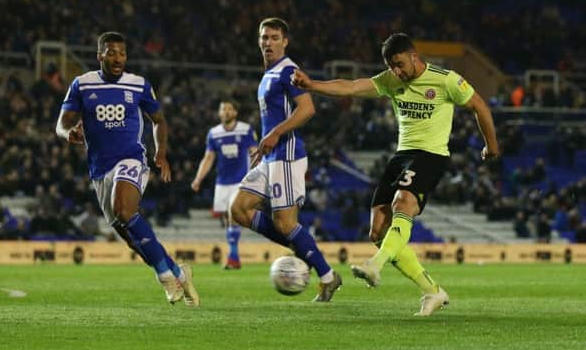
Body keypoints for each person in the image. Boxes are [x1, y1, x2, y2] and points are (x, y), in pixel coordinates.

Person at [292, 32, 499, 315]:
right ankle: (432, 291)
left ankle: (374, 266)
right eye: (392, 66)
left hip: (431, 155)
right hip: (401, 156)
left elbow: (479, 105)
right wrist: (312, 85)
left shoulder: (445, 79)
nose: (397, 71)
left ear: (415, 56)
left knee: (403, 203)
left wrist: (491, 145)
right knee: (377, 230)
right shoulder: (391, 80)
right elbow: (351, 86)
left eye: (400, 64)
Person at [55, 31, 199, 307]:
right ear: (100, 55)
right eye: (111, 52)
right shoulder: (82, 85)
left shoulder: (139, 85)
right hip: (100, 171)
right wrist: (68, 133)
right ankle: (180, 272)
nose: (117, 57)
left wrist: (161, 153)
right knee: (133, 240)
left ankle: (165, 278)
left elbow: (159, 121)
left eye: (121, 53)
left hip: (131, 160)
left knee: (124, 210)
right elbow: (62, 123)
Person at [230, 17, 342, 302]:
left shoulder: (288, 70)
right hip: (269, 157)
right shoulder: (268, 74)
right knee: (239, 210)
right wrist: (266, 141)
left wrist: (275, 134)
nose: (268, 42)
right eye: (264, 37)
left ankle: (327, 277)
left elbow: (307, 109)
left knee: (285, 224)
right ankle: (306, 251)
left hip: (287, 155)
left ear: (285, 41)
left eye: (274, 37)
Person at [191, 99, 257, 269]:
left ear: (235, 112)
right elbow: (209, 158)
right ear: (219, 113)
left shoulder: (245, 130)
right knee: (228, 220)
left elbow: (254, 152)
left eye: (229, 109)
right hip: (222, 183)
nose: (226, 112)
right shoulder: (214, 133)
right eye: (223, 109)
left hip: (241, 181)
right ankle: (233, 256)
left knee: (233, 215)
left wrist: (258, 176)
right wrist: (198, 179)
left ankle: (233, 258)